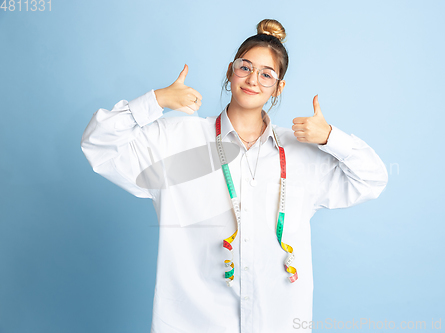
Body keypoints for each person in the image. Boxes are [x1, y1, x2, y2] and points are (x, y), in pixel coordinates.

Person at [81, 18, 388, 333]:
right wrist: (155, 101)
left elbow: (372, 180)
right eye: (245, 67)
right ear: (230, 70)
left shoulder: (300, 152)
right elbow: (98, 144)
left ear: (279, 87)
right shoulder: (177, 140)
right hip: (193, 324)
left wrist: (331, 138)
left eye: (267, 74)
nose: (253, 79)